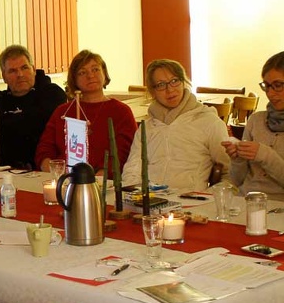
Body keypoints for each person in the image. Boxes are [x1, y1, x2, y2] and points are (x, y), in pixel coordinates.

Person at [122, 60, 230, 190]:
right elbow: (132, 169)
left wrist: (208, 196)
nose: (170, 89)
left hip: (191, 197)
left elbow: (229, 172)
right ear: (152, 92)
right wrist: (134, 193)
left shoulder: (209, 122)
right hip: (150, 197)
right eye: (161, 85)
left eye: (174, 81)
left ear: (183, 82)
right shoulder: (147, 127)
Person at [35, 50, 137, 175]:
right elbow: (45, 150)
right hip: (65, 179)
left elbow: (124, 154)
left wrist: (97, 179)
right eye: (82, 72)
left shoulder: (121, 111)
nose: (90, 76)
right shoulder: (62, 112)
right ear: (74, 79)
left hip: (104, 180)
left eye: (95, 69)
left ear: (104, 74)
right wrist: (57, 174)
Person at [0, 45, 67, 169]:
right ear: (4, 76)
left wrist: (1, 125)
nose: (20, 74)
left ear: (34, 69)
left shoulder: (52, 94)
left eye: (24, 68)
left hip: (36, 170)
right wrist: (17, 125)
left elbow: (36, 131)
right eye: (12, 71)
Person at [222, 51, 284, 197]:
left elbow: (265, 156)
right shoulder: (256, 120)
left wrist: (265, 155)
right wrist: (238, 158)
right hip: (246, 200)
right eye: (267, 86)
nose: (270, 93)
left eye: (278, 85)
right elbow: (237, 181)